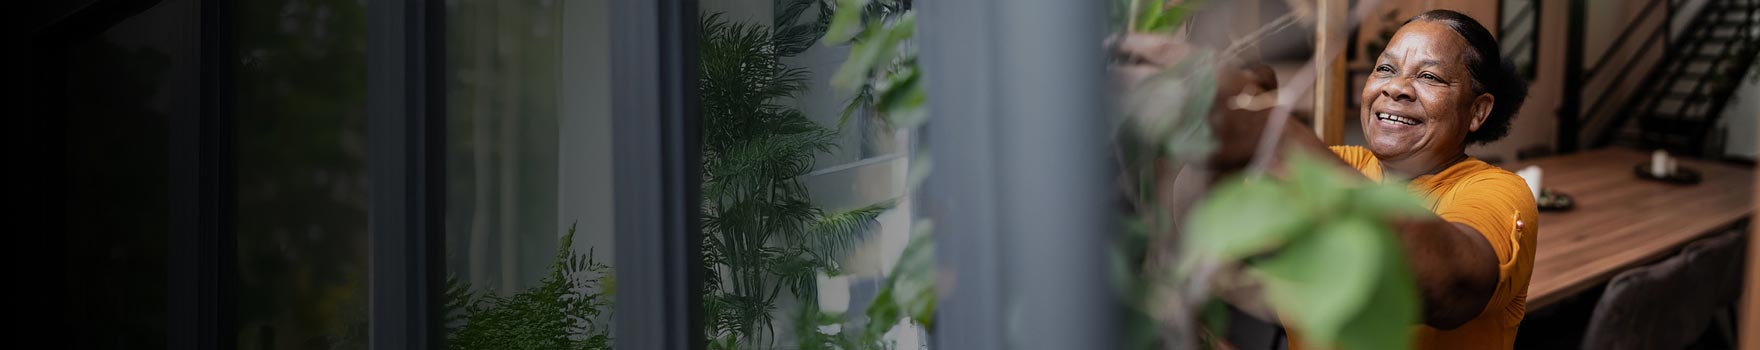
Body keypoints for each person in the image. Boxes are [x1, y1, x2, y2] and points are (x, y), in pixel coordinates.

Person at [1117, 9, 1538, 350]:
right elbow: (1205, 226)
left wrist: (1269, 131)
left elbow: (1450, 289)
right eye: (1385, 69)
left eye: (1428, 77)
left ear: (1478, 111)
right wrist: (1212, 139)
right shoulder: (1336, 166)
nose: (1397, 88)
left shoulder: (1499, 192)